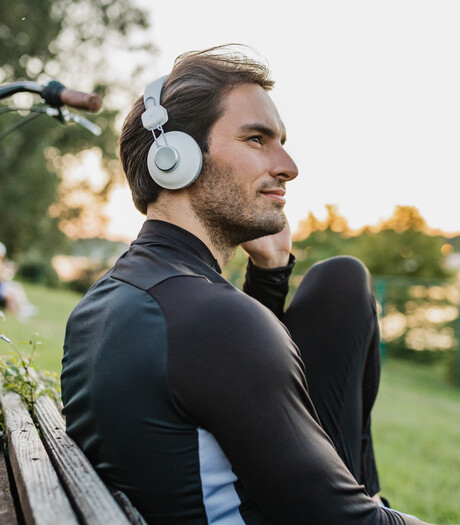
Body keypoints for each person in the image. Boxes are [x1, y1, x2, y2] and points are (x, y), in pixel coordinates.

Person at [61, 46, 432, 524]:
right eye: (257, 139)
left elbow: (230, 386)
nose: (288, 166)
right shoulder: (212, 320)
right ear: (175, 158)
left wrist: (270, 275)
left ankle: (369, 493)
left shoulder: (116, 296)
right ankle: (371, 494)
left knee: (340, 282)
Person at [0, 242, 38, 321]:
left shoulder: (2, 264)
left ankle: (24, 306)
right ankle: (21, 310)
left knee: (17, 286)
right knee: (11, 294)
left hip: (2, 285)